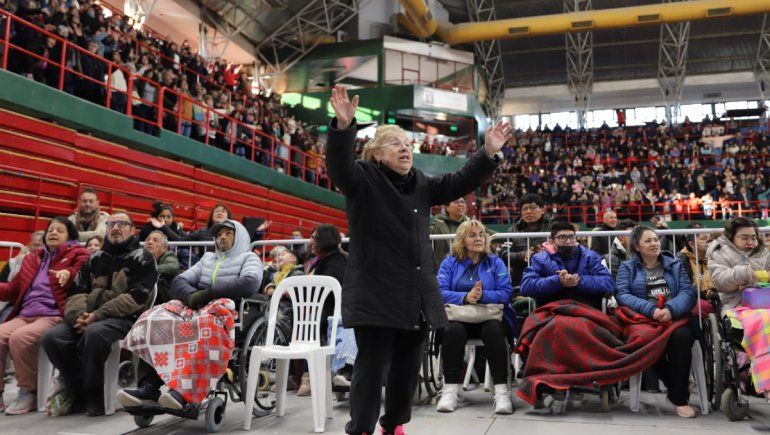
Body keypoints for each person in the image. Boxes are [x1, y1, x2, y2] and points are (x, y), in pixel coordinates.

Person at [326, 85, 509, 435]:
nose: (404, 149)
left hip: (415, 295)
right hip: (376, 292)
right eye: (395, 144)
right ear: (376, 154)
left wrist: (487, 153)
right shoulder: (362, 178)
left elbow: (459, 180)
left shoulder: (420, 183)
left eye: (407, 145)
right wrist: (343, 127)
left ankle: (393, 425)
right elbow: (338, 166)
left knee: (407, 369)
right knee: (371, 367)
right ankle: (361, 429)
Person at [118, 219, 261, 410]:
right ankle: (149, 387)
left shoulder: (249, 258)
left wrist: (209, 293)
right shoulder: (208, 258)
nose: (222, 237)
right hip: (197, 305)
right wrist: (192, 295)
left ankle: (185, 392)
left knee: (203, 328)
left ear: (240, 236)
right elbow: (180, 280)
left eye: (228, 233)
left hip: (225, 309)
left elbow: (250, 282)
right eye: (218, 235)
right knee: (152, 319)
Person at [41, 213, 158, 416]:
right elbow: (76, 292)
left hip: (126, 319)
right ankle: (78, 388)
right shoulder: (94, 258)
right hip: (88, 316)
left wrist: (98, 315)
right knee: (52, 337)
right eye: (112, 224)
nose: (116, 228)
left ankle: (94, 397)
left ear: (132, 230)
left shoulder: (143, 258)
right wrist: (78, 316)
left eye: (122, 224)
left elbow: (136, 299)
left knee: (95, 333)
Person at [0, 217, 89, 414]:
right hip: (24, 315)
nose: (53, 233)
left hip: (53, 315)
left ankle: (28, 392)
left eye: (59, 230)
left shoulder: (79, 254)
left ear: (70, 236)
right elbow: (13, 289)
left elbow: (84, 279)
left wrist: (69, 274)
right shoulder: (33, 259)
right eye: (50, 230)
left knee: (19, 338)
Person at [615, 225, 697, 418]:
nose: (654, 244)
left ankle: (678, 397)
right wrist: (651, 310)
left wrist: (670, 309)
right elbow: (622, 294)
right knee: (643, 341)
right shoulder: (628, 267)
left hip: (672, 316)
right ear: (636, 246)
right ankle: (679, 393)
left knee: (682, 336)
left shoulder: (675, 264)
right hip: (642, 319)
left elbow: (688, 292)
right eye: (648, 241)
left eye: (655, 239)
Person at [435, 220, 514, 414]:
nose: (478, 238)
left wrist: (482, 296)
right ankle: (449, 391)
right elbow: (439, 291)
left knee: (494, 331)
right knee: (452, 331)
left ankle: (502, 393)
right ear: (462, 240)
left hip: (490, 315)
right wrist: (465, 297)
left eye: (481, 235)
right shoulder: (450, 262)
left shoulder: (495, 261)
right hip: (460, 315)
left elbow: (506, 292)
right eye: (472, 235)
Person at [521, 221, 614, 310]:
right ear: (551, 241)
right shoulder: (540, 259)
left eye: (572, 237)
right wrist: (557, 281)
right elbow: (526, 286)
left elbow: (608, 283)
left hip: (585, 307)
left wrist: (578, 280)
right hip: (551, 308)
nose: (568, 241)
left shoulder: (590, 256)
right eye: (562, 237)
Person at [306, 224, 349, 391]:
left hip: (334, 313)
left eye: (314, 238)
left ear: (325, 240)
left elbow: (329, 295)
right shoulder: (327, 259)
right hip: (327, 312)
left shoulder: (335, 262)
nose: (310, 242)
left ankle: (340, 370)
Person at [707, 217, 770, 316]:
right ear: (731, 237)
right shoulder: (719, 252)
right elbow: (720, 281)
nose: (750, 242)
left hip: (765, 301)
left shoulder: (763, 251)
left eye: (753, 238)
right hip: (736, 305)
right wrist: (746, 273)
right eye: (745, 238)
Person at [503, 193, 554, 286]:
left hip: (549, 279)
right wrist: (523, 255)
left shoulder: (553, 228)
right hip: (520, 281)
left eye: (532, 207)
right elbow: (504, 255)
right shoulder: (512, 231)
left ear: (542, 210)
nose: (528, 211)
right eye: (524, 209)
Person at [678, 223, 716, 317]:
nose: (708, 242)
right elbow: (686, 288)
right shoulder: (682, 260)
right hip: (696, 298)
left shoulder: (715, 256)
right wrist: (708, 294)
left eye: (710, 239)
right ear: (691, 244)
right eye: (703, 238)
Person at [430, 197, 470, 269]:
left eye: (462, 202)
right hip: (443, 270)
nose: (460, 204)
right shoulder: (437, 225)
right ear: (447, 207)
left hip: (467, 269)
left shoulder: (472, 224)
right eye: (456, 202)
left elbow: (490, 234)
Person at [143, 230, 180, 305]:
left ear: (164, 248)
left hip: (166, 302)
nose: (150, 242)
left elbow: (173, 266)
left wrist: (149, 269)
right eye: (148, 239)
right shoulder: (140, 257)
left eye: (155, 240)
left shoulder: (168, 255)